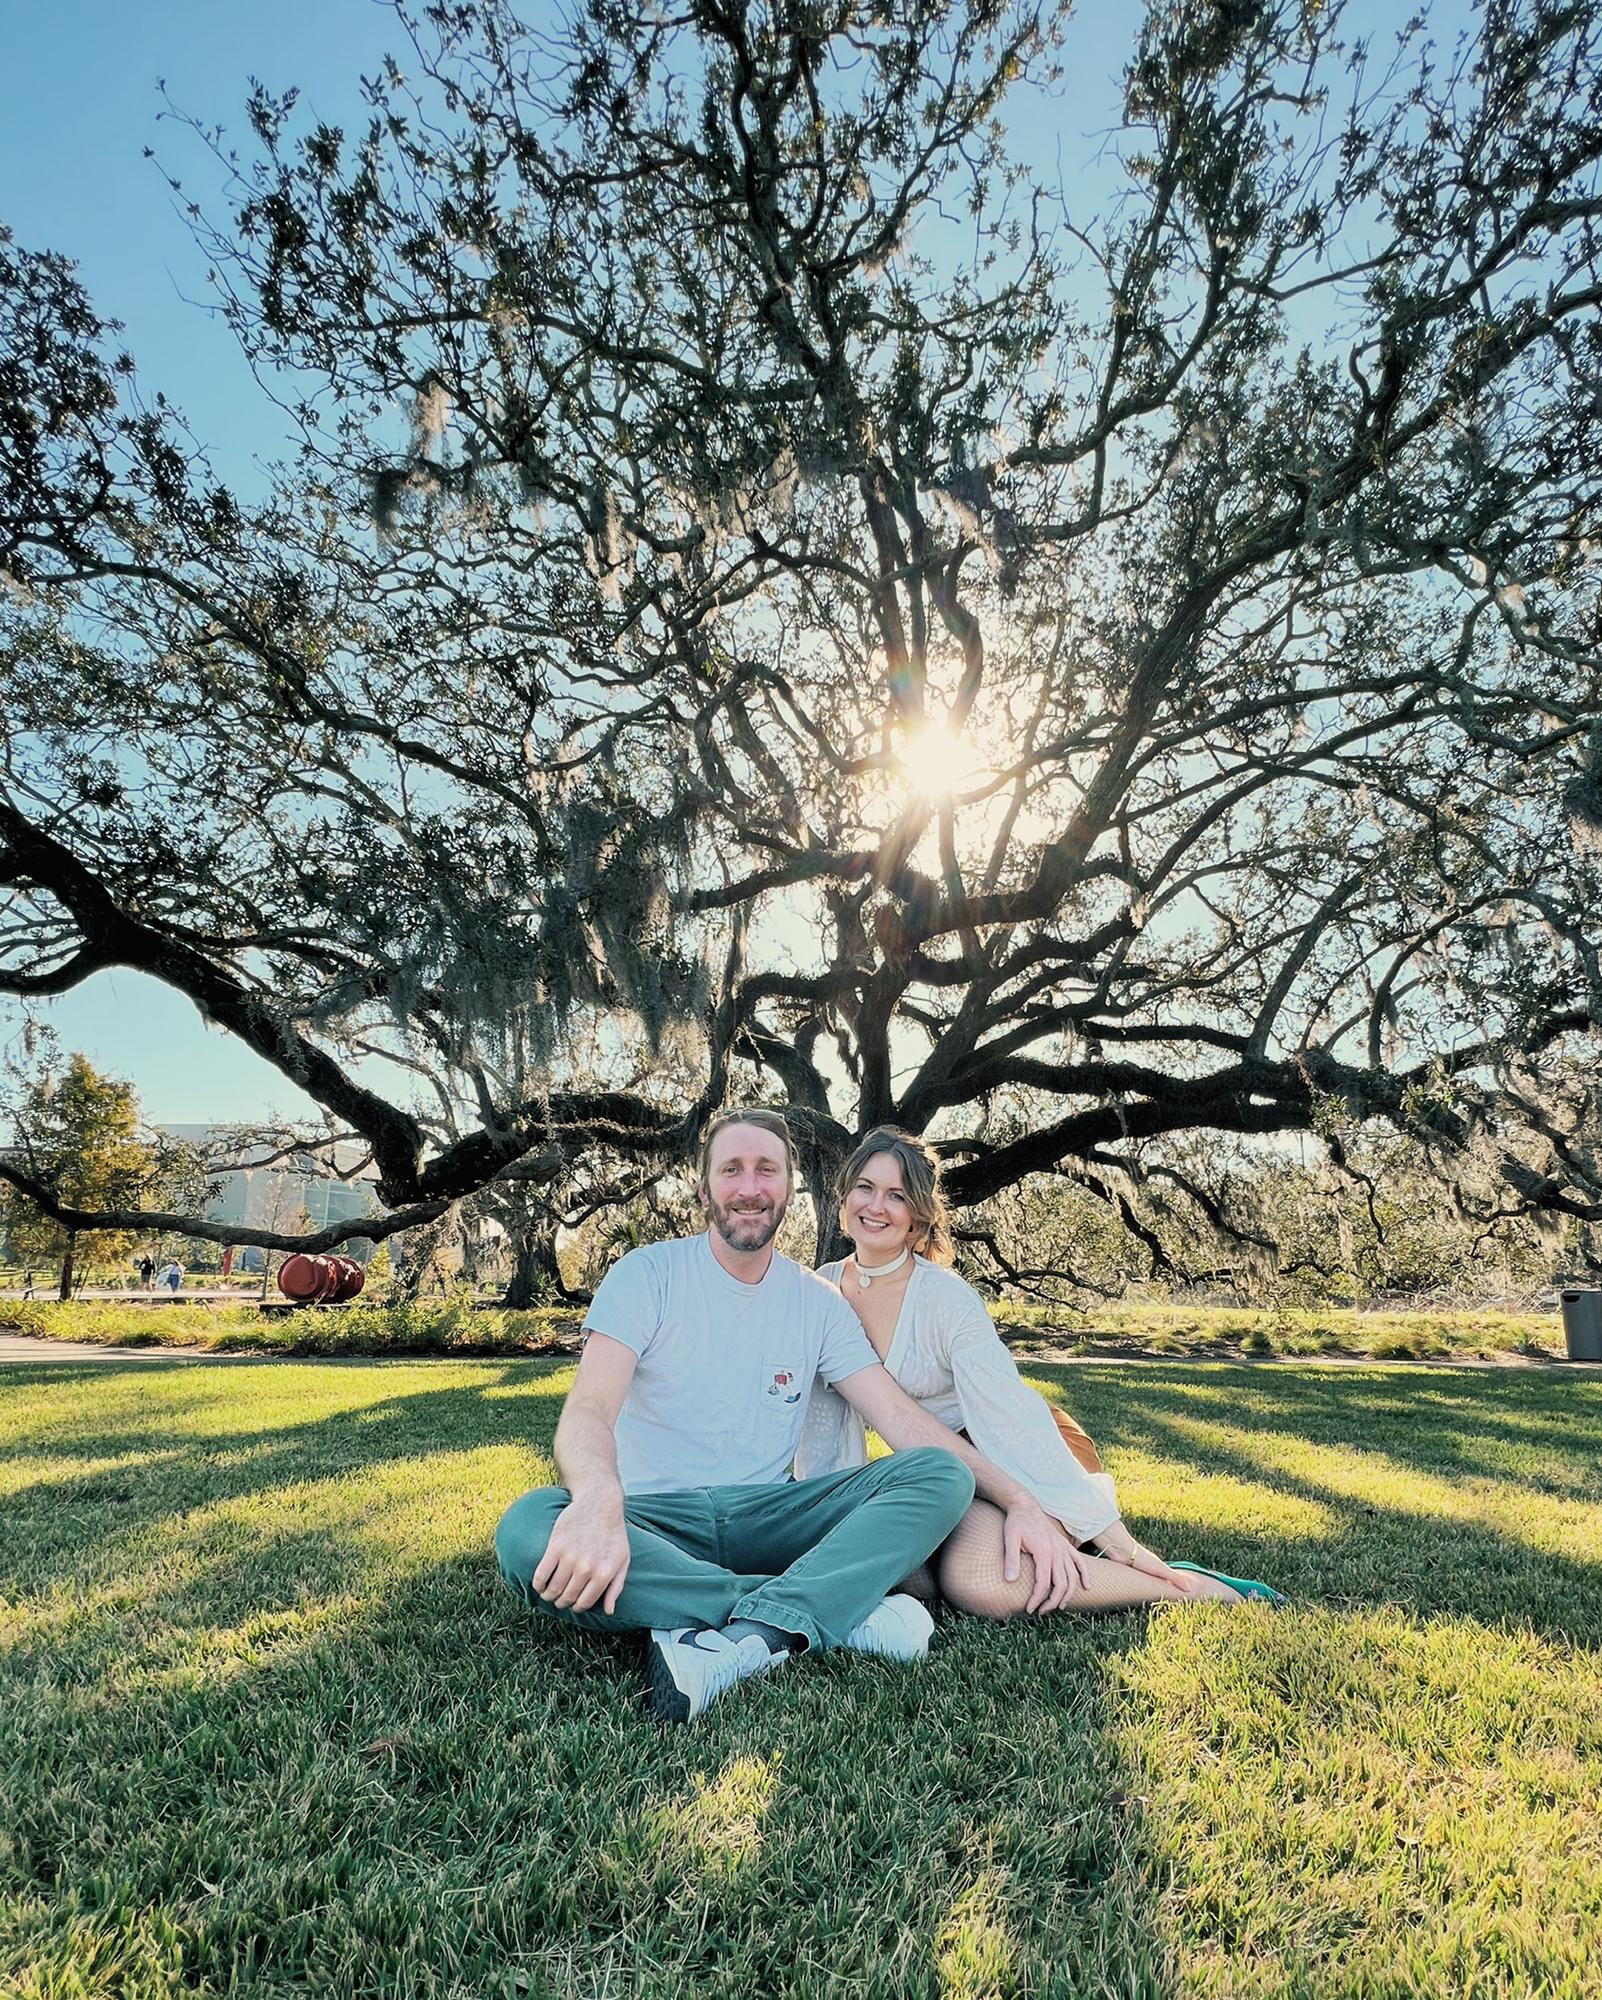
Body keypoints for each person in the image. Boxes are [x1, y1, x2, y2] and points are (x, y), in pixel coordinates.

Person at [495, 1109, 1094, 1723]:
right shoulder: (646, 1275)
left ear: (790, 1190)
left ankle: (719, 1615)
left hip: (775, 1519)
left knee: (939, 1475)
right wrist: (597, 1501)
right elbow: (590, 1409)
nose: (749, 1188)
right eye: (731, 1170)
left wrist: (1020, 1500)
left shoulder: (819, 1303)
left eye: (767, 1171)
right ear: (704, 1188)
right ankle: (814, 1611)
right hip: (653, 1520)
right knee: (526, 1527)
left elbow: (904, 1422)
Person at [796, 1127, 1285, 1616]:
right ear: (843, 1198)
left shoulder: (944, 1298)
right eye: (866, 1187)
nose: (876, 1206)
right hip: (936, 1474)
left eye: (897, 1195)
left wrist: (1112, 1537)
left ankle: (1187, 1586)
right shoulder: (822, 1291)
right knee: (905, 1577)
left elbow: (1013, 1419)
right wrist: (831, 1514)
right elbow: (822, 1425)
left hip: (1023, 1460)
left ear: (918, 1218)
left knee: (981, 1582)